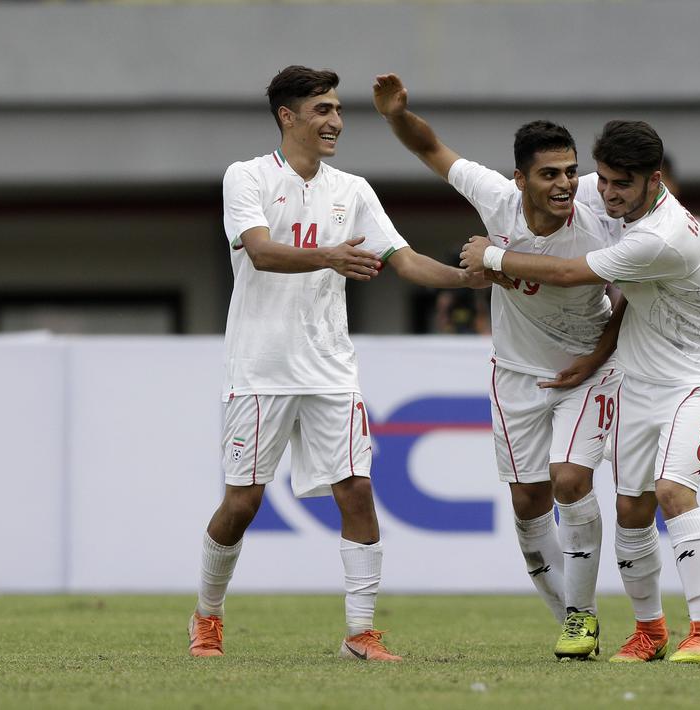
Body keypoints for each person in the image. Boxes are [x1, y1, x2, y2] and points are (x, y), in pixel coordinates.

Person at [189, 65, 490, 662]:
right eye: (322, 110)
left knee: (357, 491)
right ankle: (208, 616)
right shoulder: (245, 177)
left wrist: (476, 278)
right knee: (242, 504)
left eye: (338, 110)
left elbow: (402, 261)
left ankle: (360, 633)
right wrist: (330, 256)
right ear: (287, 117)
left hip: (330, 369)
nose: (335, 121)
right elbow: (261, 253)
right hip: (260, 368)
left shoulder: (352, 190)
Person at [460, 120, 700, 664]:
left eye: (621, 184)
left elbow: (568, 271)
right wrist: (597, 356)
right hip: (638, 377)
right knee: (631, 508)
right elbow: (626, 303)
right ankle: (650, 631)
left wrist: (491, 258)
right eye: (603, 179)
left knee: (672, 492)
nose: (606, 193)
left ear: (654, 181)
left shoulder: (662, 236)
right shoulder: (616, 207)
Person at [373, 73, 625, 660]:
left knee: (570, 480)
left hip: (590, 372)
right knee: (527, 504)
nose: (565, 184)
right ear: (520, 179)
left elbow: (630, 294)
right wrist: (395, 116)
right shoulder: (495, 197)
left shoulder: (599, 207)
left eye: (569, 171)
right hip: (516, 375)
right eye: (549, 174)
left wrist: (595, 356)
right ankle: (573, 620)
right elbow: (431, 149)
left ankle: (586, 618)